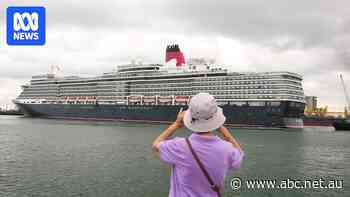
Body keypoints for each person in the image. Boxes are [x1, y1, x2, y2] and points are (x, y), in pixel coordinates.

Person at [152, 93, 244, 197]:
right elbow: (239, 155)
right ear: (216, 119)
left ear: (190, 117)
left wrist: (176, 124)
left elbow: (156, 145)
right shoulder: (227, 149)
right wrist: (224, 132)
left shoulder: (179, 146)